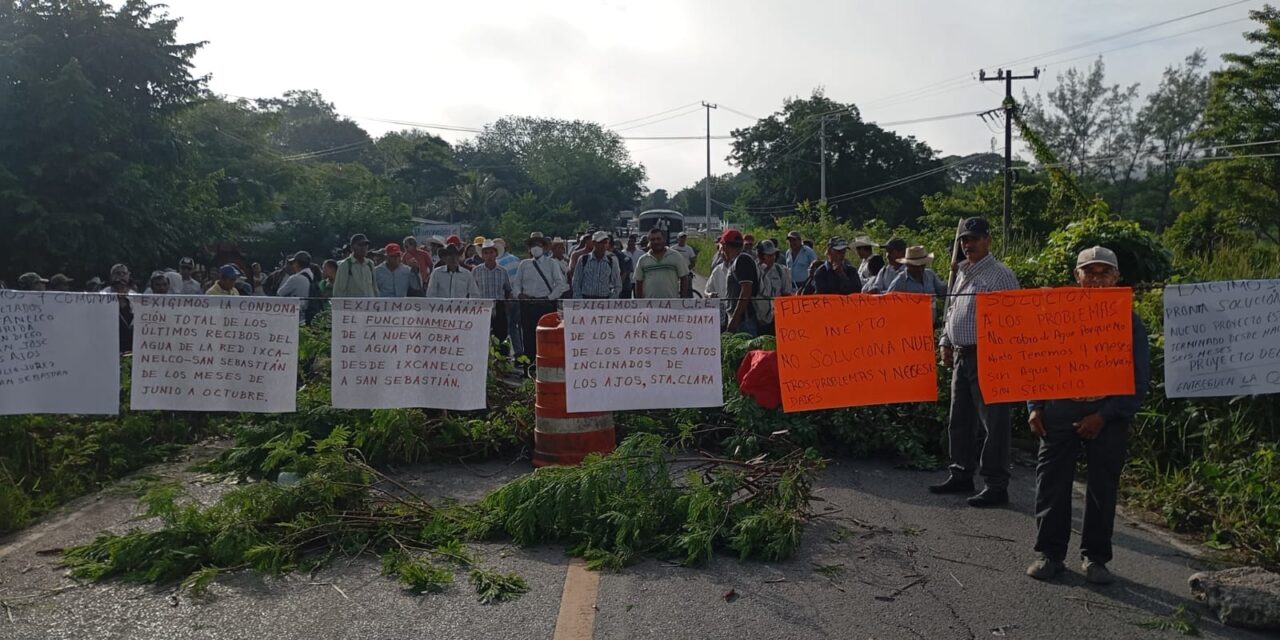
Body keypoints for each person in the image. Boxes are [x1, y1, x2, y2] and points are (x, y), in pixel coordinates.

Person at [1025, 246, 1150, 585]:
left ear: (1116, 278)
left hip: (1108, 413)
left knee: (1102, 488)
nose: (1096, 279)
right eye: (1089, 272)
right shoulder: (1055, 312)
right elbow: (1037, 361)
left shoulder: (1129, 321)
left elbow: (1138, 380)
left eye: (1103, 273)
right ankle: (1050, 555)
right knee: (1050, 482)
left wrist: (1105, 415)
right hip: (1059, 408)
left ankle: (1095, 559)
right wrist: (1034, 405)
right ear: (1076, 276)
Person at [931, 216, 1021, 507]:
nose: (968, 244)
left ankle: (996, 484)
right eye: (964, 240)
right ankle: (961, 473)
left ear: (987, 240)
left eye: (974, 239)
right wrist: (945, 340)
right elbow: (953, 309)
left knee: (993, 422)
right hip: (961, 354)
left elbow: (1014, 321)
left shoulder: (1000, 276)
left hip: (989, 357)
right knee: (960, 419)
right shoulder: (961, 272)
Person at [512, 232, 566, 362]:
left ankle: (546, 364)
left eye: (538, 244)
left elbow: (560, 284)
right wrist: (519, 295)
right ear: (529, 249)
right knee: (528, 338)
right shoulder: (524, 264)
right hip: (527, 305)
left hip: (545, 304)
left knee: (547, 337)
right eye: (533, 245)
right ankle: (528, 367)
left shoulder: (551, 263)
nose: (536, 247)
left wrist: (549, 298)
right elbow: (516, 284)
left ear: (544, 247)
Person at [472, 240, 513, 354]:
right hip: (482, 307)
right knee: (481, 337)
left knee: (501, 337)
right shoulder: (476, 271)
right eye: (486, 253)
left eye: (491, 252)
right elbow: (471, 290)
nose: (489, 255)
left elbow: (508, 290)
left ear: (496, 254)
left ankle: (503, 364)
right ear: (483, 255)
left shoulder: (502, 271)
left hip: (499, 306)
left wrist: (508, 304)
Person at [634, 227, 690, 299]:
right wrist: (640, 303)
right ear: (649, 242)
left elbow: (684, 278)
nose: (656, 242)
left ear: (664, 240)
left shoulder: (676, 256)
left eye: (658, 239)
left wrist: (682, 301)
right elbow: (638, 282)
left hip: (671, 305)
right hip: (649, 306)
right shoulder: (643, 260)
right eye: (652, 239)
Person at [721, 230, 757, 335]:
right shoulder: (736, 261)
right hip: (740, 318)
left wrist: (735, 319)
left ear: (724, 245)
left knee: (746, 350)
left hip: (744, 320)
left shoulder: (742, 260)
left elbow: (746, 290)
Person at [754, 240, 792, 336]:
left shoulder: (781, 270)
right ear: (761, 256)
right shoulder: (754, 270)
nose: (772, 258)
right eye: (769, 255)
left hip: (776, 317)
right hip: (758, 317)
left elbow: (786, 294)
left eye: (774, 255)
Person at [494, 238, 524, 356]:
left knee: (506, 328)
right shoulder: (516, 259)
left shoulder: (498, 263)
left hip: (506, 299)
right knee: (517, 326)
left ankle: (506, 354)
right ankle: (519, 352)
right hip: (518, 296)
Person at [572, 231, 622, 299]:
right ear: (593, 243)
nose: (604, 245)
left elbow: (617, 284)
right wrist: (580, 299)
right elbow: (576, 281)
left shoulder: (612, 261)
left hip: (604, 300)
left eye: (606, 242)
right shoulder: (583, 259)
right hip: (586, 300)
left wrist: (610, 300)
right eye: (600, 242)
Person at [277, 251, 317, 322]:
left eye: (293, 263)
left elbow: (279, 293)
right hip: (309, 315)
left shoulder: (295, 278)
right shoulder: (312, 276)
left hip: (295, 317)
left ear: (297, 263)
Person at [333, 233, 377, 297]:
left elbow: (374, 287)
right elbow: (339, 291)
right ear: (352, 247)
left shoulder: (370, 264)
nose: (363, 248)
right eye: (360, 245)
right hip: (352, 306)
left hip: (369, 305)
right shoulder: (345, 265)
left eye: (365, 245)